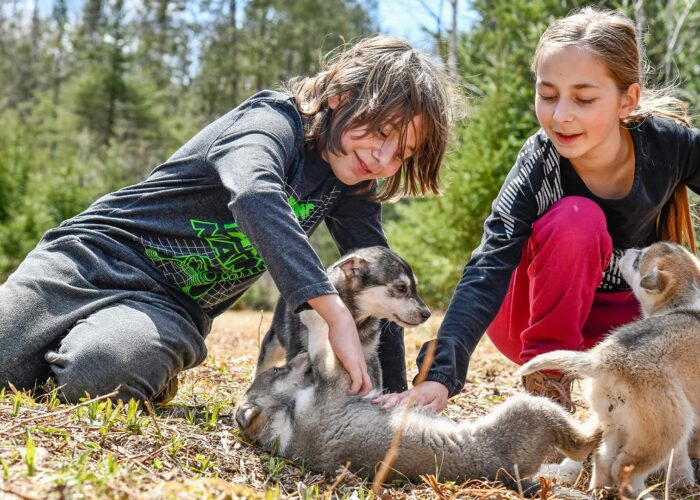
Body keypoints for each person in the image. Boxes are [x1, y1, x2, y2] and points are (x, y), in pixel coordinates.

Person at [0, 35, 457, 404]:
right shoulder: (271, 122)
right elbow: (254, 192)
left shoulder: (350, 184)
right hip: (87, 259)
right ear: (339, 96)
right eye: (380, 132)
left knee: (101, 375)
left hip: (169, 308)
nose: (382, 158)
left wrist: (394, 396)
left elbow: (386, 273)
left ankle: (134, 360)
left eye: (403, 152)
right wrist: (331, 309)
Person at [375, 7, 699, 413]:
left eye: (583, 98)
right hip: (531, 319)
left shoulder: (670, 146)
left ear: (627, 100)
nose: (561, 115)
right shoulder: (539, 162)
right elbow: (488, 266)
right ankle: (547, 389)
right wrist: (439, 375)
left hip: (627, 325)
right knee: (577, 217)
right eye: (547, 95)